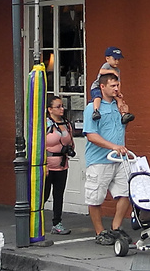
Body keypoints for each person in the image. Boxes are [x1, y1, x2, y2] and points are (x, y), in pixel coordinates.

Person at [83, 71, 131, 245]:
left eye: (117, 85)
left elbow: (121, 126)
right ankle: (100, 232)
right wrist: (113, 146)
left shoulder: (119, 105)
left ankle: (116, 227)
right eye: (112, 86)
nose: (116, 88)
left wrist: (125, 112)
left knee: (125, 193)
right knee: (95, 198)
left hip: (120, 160)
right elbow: (90, 135)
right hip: (99, 160)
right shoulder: (92, 108)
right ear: (102, 87)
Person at [44, 96, 75, 235]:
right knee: (43, 195)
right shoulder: (45, 125)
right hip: (47, 165)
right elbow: (37, 146)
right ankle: (33, 221)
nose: (62, 109)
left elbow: (71, 141)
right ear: (50, 109)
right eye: (58, 107)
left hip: (62, 165)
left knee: (59, 195)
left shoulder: (66, 124)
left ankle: (57, 223)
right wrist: (42, 164)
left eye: (62, 106)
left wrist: (69, 149)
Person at [90, 46, 127, 122]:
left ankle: (123, 114)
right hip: (97, 87)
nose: (117, 62)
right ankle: (96, 111)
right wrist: (112, 72)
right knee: (98, 97)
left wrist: (119, 92)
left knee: (119, 99)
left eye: (118, 60)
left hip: (110, 89)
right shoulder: (106, 66)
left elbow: (118, 82)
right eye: (115, 59)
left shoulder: (117, 70)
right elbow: (101, 71)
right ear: (107, 59)